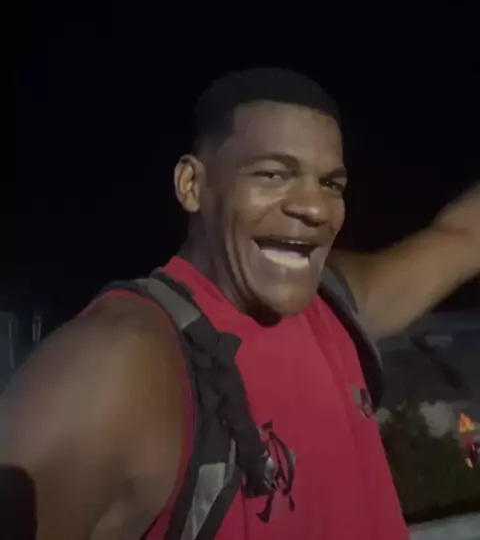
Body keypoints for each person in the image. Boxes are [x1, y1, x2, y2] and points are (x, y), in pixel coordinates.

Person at [1, 68, 479, 540]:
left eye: (331, 184)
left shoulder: (333, 300)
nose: (315, 208)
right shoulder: (122, 362)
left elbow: (461, 237)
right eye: (273, 174)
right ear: (191, 184)